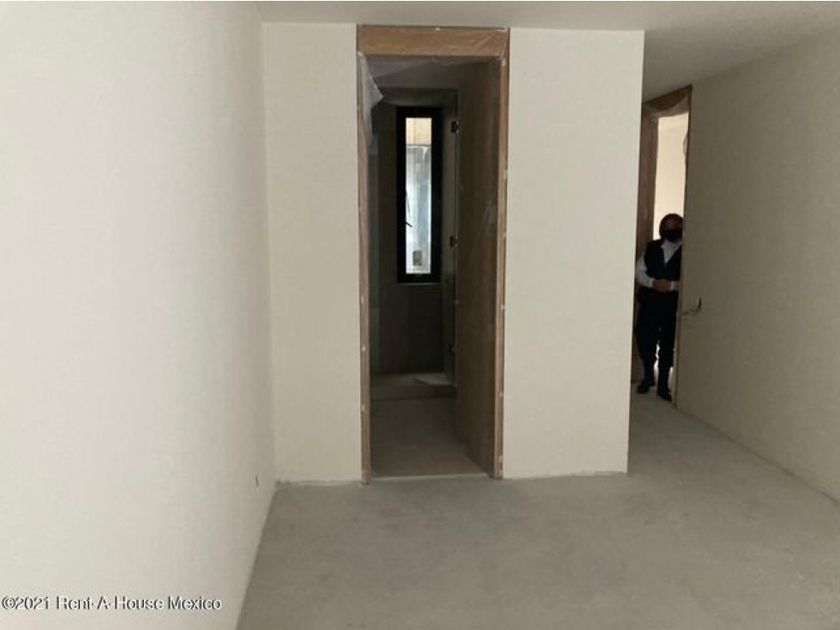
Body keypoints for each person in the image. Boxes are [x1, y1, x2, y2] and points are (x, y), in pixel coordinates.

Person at [635, 213, 683, 401]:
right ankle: (648, 376)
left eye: (677, 225)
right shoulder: (652, 247)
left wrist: (672, 286)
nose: (673, 229)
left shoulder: (689, 251)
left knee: (667, 344)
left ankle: (663, 383)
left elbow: (693, 279)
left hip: (672, 305)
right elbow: (639, 271)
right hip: (650, 302)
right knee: (644, 338)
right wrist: (652, 282)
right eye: (669, 226)